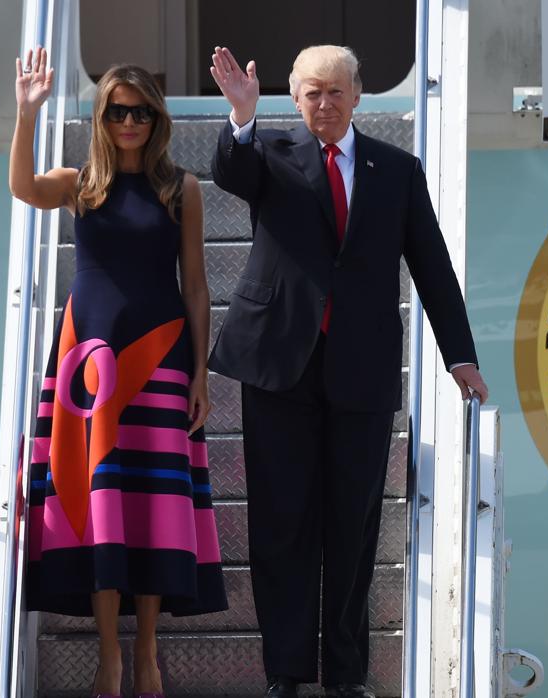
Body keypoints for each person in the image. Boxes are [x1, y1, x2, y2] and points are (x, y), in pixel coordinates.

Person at [208, 45, 489, 698]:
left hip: (359, 371)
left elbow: (432, 266)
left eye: (336, 91)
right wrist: (241, 117)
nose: (324, 104)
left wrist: (460, 354)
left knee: (353, 528)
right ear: (294, 96)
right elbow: (230, 171)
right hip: (280, 367)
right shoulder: (270, 156)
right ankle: (285, 671)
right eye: (311, 92)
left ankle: (345, 676)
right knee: (281, 525)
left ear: (359, 95)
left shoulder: (396, 170)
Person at [10, 48, 227, 698]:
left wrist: (200, 376)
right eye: (116, 111)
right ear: (102, 117)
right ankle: (109, 658)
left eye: (139, 111)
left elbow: (195, 288)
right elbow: (23, 188)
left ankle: (148, 655)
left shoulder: (180, 187)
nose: (128, 121)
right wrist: (27, 113)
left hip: (161, 358)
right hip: (91, 365)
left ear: (156, 119)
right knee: (101, 505)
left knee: (155, 506)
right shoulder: (80, 183)